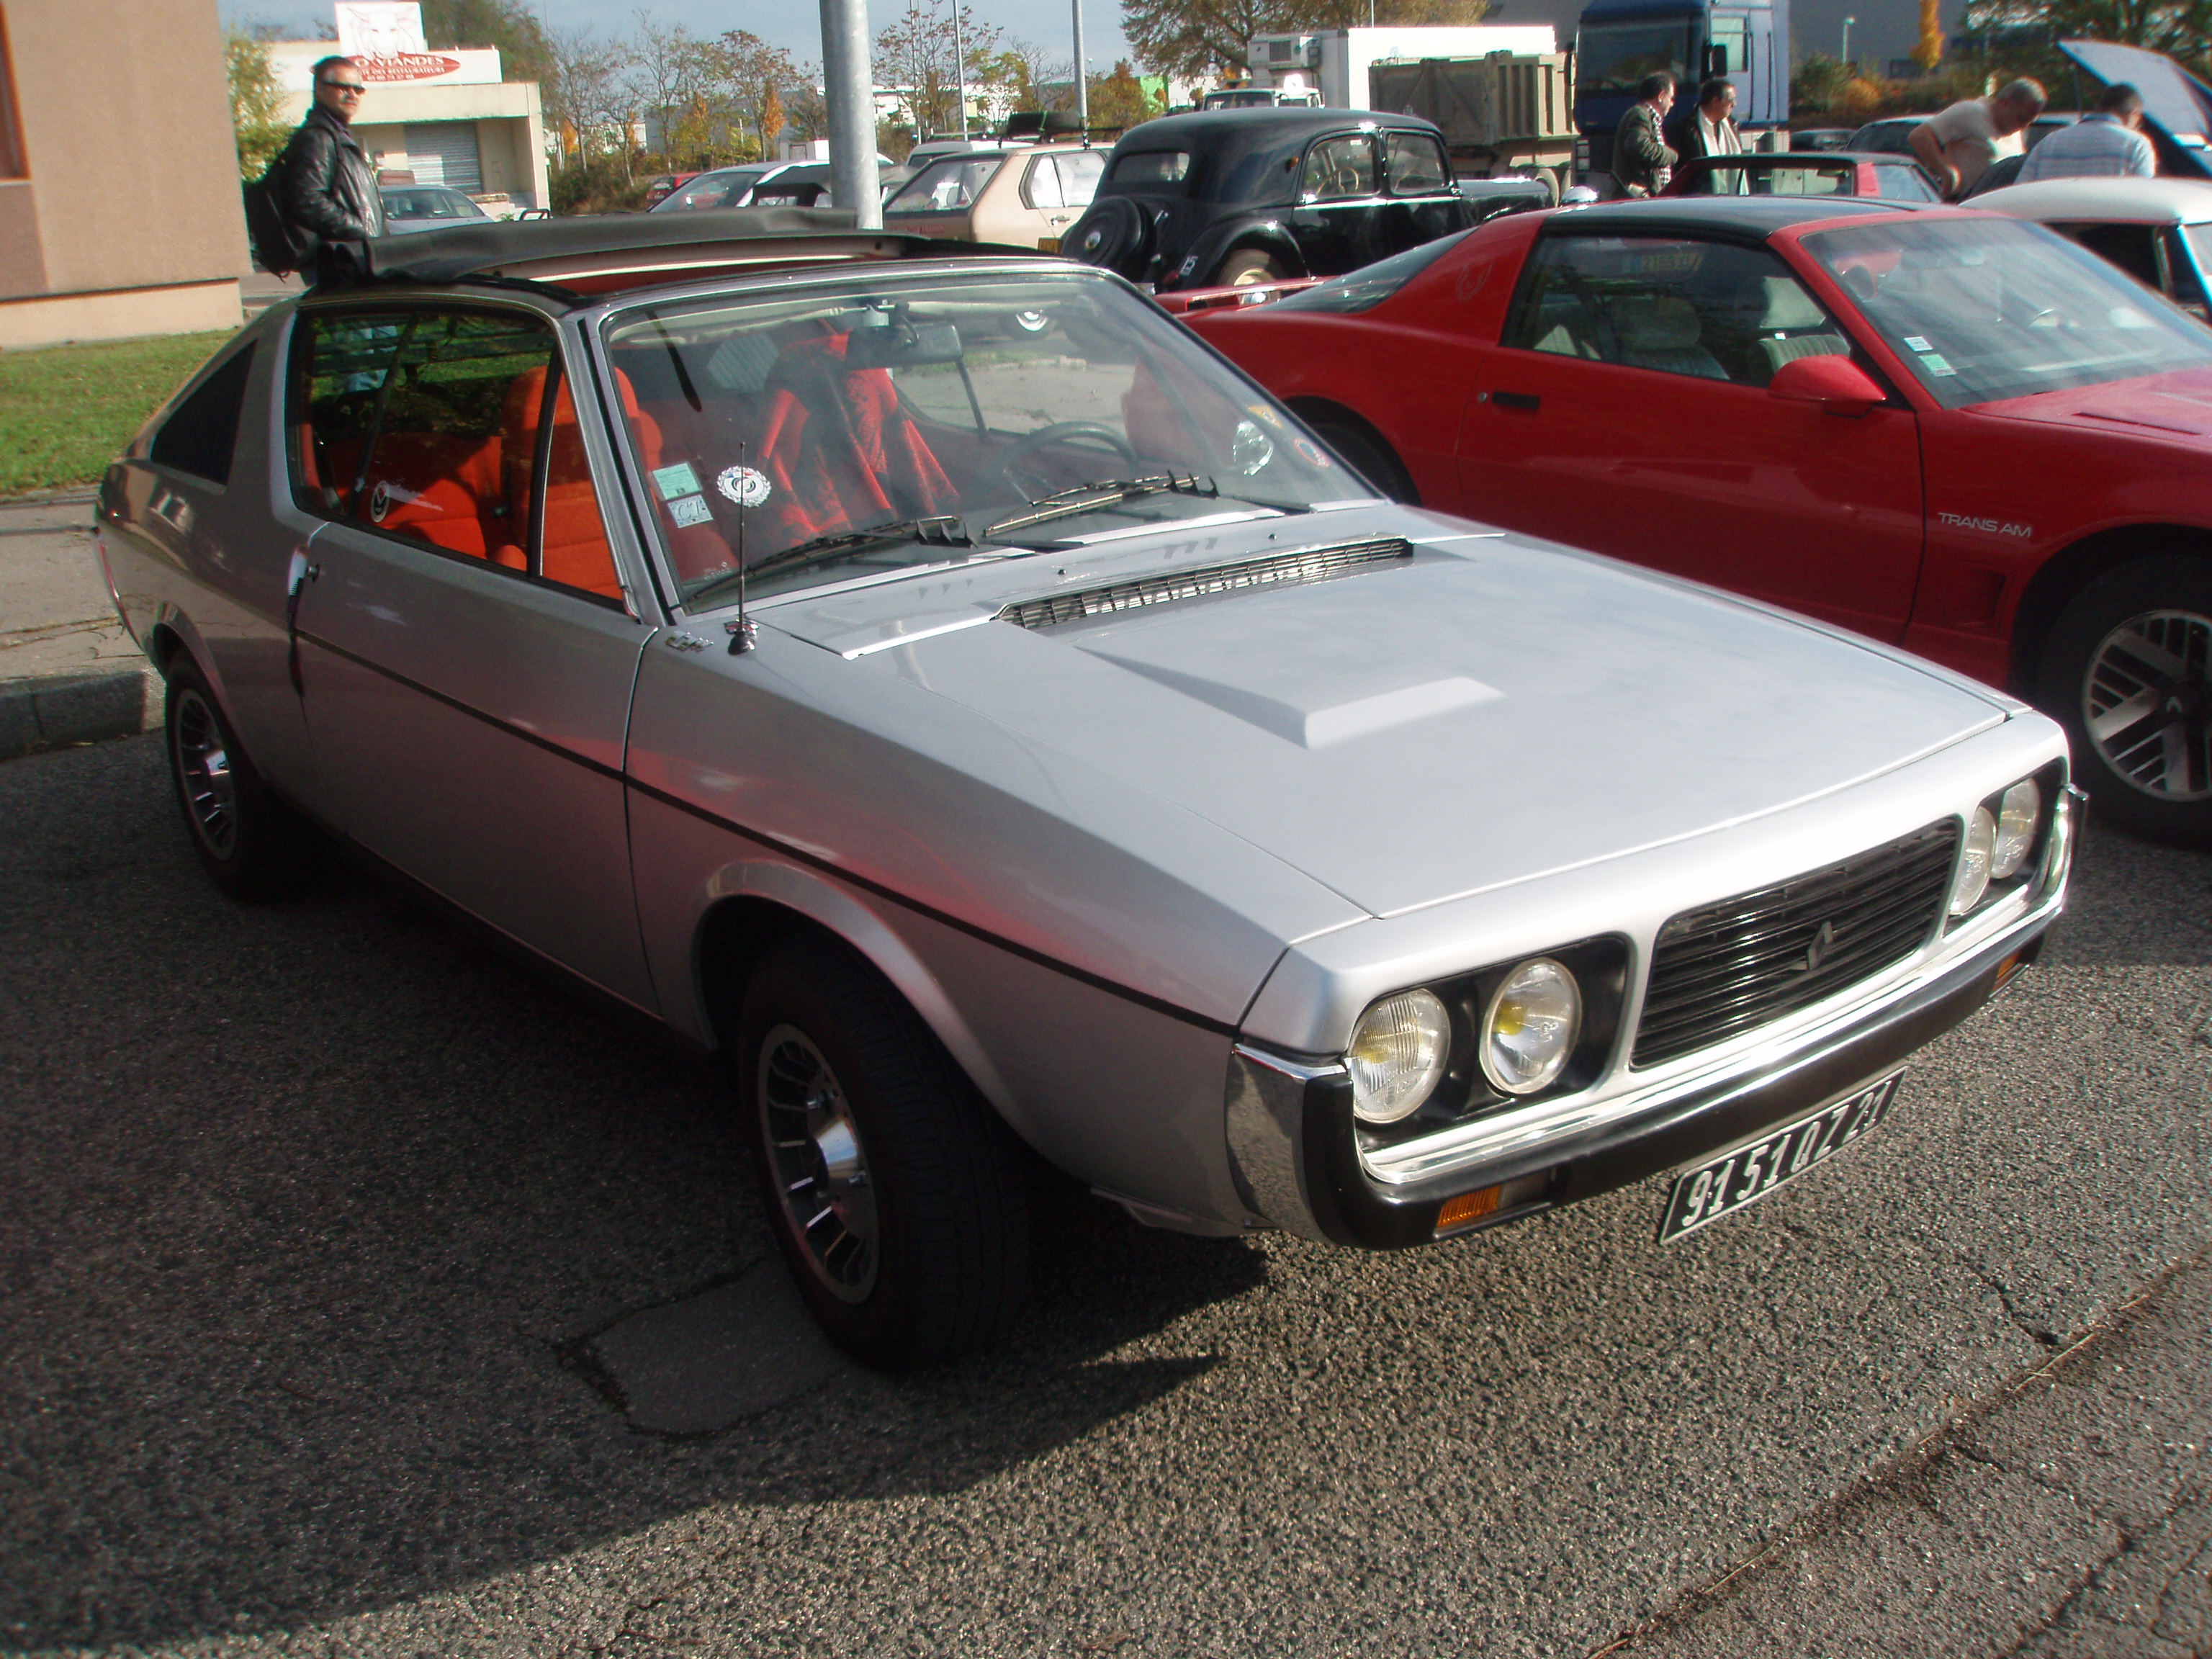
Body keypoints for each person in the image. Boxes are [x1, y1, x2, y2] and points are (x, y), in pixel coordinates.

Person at [276, 55, 384, 279]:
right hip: (338, 263)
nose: (352, 94)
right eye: (342, 87)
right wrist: (360, 229)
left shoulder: (338, 136)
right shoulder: (318, 138)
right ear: (320, 89)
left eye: (358, 89)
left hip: (355, 257)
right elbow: (309, 201)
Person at [1910, 78, 2047, 199]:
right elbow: (1919, 136)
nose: (2024, 126)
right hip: (1968, 204)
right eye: (2021, 118)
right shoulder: (1970, 112)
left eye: (2030, 121)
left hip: (2001, 208)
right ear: (2004, 103)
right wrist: (1946, 171)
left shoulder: (2016, 131)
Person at [2017, 81, 2157, 181]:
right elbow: (2143, 198)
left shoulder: (2050, 141)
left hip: (2048, 222)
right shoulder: (2137, 144)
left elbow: (2020, 189)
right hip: (2109, 222)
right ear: (2134, 114)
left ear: (2100, 107)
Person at [1614, 73, 1678, 197]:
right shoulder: (1640, 115)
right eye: (1671, 98)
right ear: (1661, 96)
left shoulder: (1650, 117)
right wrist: (1670, 155)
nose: (1672, 103)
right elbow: (1638, 146)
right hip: (1638, 196)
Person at [1680, 78, 1743, 184]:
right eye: (1731, 100)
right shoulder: (1686, 129)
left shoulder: (1732, 126)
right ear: (1715, 102)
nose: (1734, 104)